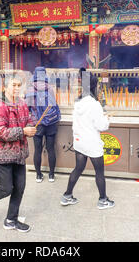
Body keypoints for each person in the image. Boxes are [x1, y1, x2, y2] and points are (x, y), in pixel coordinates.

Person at [0, 75, 37, 232]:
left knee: (20, 187)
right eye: (14, 85)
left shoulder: (22, 102)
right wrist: (22, 131)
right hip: (2, 154)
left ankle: (11, 219)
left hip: (19, 153)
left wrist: (31, 127)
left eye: (19, 85)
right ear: (5, 86)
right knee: (6, 188)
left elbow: (29, 119)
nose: (17, 88)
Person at [60, 71, 115, 210]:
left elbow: (80, 121)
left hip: (79, 141)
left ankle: (67, 195)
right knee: (99, 172)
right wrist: (107, 119)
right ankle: (103, 200)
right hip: (92, 143)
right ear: (93, 86)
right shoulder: (94, 104)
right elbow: (101, 126)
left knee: (78, 169)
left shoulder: (78, 102)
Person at [25, 66, 61, 183]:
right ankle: (51, 175)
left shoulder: (30, 89)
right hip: (51, 122)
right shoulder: (50, 88)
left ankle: (39, 175)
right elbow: (53, 105)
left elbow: (27, 109)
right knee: (51, 149)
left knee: (38, 150)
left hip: (37, 123)